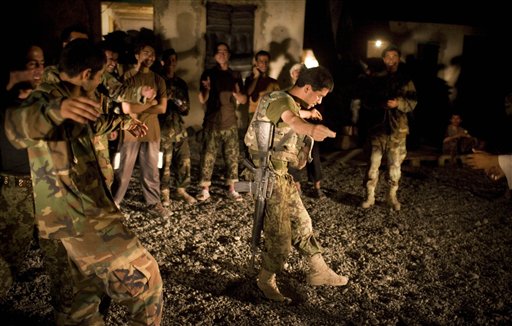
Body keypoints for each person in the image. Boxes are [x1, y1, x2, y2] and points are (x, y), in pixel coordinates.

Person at [4, 38, 163, 325]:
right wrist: (57, 110)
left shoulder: (71, 93)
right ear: (88, 74)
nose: (102, 80)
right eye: (101, 75)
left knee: (84, 297)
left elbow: (90, 124)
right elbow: (17, 126)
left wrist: (123, 122)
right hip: (81, 217)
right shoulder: (47, 97)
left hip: (79, 213)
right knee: (147, 282)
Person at [244, 66, 348, 303]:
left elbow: (292, 116)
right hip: (266, 176)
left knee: (303, 223)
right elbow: (290, 119)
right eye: (319, 95)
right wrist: (311, 128)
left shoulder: (290, 102)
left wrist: (308, 116)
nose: (319, 101)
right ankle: (265, 280)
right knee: (280, 238)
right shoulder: (280, 101)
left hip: (280, 176)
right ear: (308, 88)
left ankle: (318, 271)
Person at [0, 43, 75, 323]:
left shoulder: (47, 100)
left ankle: (65, 314)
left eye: (42, 63)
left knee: (59, 255)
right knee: (7, 257)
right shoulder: (6, 99)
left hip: (47, 184)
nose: (39, 69)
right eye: (33, 63)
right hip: (13, 190)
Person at [112, 41, 170, 217]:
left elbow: (163, 108)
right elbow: (127, 109)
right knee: (122, 170)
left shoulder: (158, 80)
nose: (150, 57)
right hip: (130, 129)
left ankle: (153, 204)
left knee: (151, 170)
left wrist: (141, 106)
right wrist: (150, 103)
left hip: (152, 130)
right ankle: (114, 203)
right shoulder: (126, 78)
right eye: (146, 52)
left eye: (152, 54)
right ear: (137, 55)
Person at [360, 45, 417, 211]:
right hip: (377, 130)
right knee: (372, 164)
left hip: (397, 131)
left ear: (399, 58)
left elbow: (413, 102)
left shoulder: (406, 80)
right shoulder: (375, 79)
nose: (391, 60)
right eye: (387, 57)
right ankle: (369, 195)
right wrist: (380, 104)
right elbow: (366, 101)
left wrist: (398, 103)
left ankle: (392, 196)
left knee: (394, 167)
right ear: (383, 59)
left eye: (394, 56)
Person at [196, 42, 247, 201]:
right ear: (214, 55)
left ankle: (232, 189)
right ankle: (205, 189)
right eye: (219, 51)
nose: (222, 54)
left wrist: (236, 93)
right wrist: (207, 89)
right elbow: (202, 99)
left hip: (230, 122)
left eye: (225, 51)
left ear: (229, 55)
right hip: (212, 122)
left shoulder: (235, 75)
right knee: (207, 157)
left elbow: (244, 100)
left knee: (232, 157)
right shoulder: (208, 73)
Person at [158, 48, 197, 205]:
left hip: (179, 129)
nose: (171, 63)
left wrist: (178, 102)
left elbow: (186, 110)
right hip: (162, 129)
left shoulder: (180, 83)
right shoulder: (157, 81)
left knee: (184, 160)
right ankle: (163, 192)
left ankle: (181, 190)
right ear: (162, 62)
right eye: (168, 60)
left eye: (174, 60)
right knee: (164, 163)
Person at [244, 50, 280, 123]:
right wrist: (256, 76)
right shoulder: (250, 79)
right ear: (256, 63)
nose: (264, 63)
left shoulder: (273, 82)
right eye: (261, 61)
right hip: (253, 114)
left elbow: (278, 100)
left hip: (269, 115)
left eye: (266, 61)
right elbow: (248, 93)